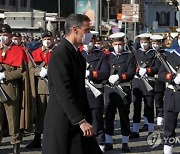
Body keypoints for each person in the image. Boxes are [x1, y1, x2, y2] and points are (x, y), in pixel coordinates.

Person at [42, 14, 103, 154]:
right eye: (86, 30)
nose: (89, 35)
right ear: (75, 30)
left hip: (77, 120)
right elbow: (63, 91)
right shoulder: (60, 54)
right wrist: (80, 120)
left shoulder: (76, 54)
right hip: (64, 121)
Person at [0, 24, 32, 154]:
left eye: (5, 35)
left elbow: (21, 72)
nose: (2, 38)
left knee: (13, 120)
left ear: (11, 36)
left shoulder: (18, 50)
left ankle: (15, 144)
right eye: (1, 35)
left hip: (10, 90)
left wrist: (4, 75)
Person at [104, 32, 136, 152]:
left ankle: (125, 143)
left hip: (123, 89)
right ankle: (108, 142)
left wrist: (120, 77)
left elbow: (131, 72)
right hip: (110, 91)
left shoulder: (129, 56)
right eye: (116, 44)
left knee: (124, 117)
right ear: (112, 44)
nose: (118, 46)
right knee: (108, 117)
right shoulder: (107, 56)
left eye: (120, 44)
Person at [26, 31, 55, 149]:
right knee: (40, 114)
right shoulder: (36, 53)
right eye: (45, 38)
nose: (47, 41)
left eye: (49, 38)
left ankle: (53, 139)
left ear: (53, 39)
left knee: (53, 115)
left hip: (54, 88)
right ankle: (37, 139)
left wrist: (50, 71)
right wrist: (39, 72)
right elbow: (31, 69)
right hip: (41, 87)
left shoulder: (58, 52)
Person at [81, 35, 110, 152]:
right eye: (86, 41)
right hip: (81, 92)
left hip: (94, 92)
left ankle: (100, 144)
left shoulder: (101, 55)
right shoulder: (78, 54)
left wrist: (91, 74)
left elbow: (105, 73)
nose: (89, 43)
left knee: (96, 120)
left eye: (91, 41)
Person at [130, 33, 160, 139]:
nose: (144, 44)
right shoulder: (136, 52)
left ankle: (151, 129)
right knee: (136, 107)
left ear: (149, 42)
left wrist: (147, 70)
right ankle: (135, 129)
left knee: (149, 106)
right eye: (142, 42)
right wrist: (137, 70)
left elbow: (157, 67)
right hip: (137, 82)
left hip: (149, 82)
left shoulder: (154, 53)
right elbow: (131, 65)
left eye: (146, 42)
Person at [158, 49, 180, 154]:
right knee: (169, 125)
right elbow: (161, 74)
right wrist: (171, 78)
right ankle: (168, 150)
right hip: (173, 93)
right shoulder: (169, 55)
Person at [150, 35, 166, 127]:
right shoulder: (149, 53)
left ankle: (160, 118)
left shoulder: (163, 54)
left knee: (159, 100)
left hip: (159, 80)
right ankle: (149, 121)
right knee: (149, 101)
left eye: (157, 43)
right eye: (153, 43)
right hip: (149, 79)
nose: (155, 45)